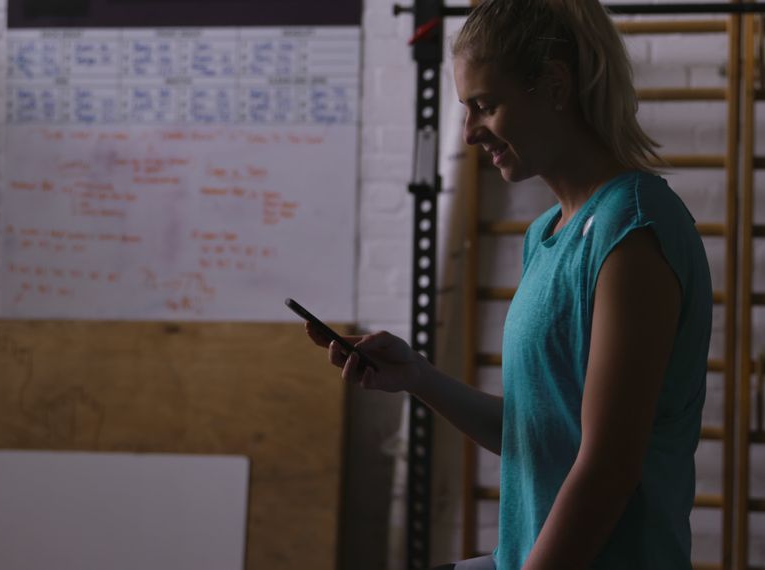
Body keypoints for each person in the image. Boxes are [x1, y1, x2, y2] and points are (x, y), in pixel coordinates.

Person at [305, 0, 713, 568]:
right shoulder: (547, 233)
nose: (470, 132)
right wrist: (418, 376)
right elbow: (538, 430)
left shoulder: (633, 230)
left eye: (485, 106)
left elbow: (607, 468)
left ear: (553, 86)